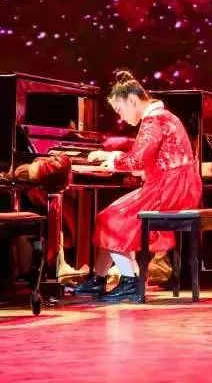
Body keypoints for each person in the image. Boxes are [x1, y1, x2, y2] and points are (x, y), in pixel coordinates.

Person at [73, 70, 202, 300]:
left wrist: (112, 158)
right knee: (110, 215)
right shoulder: (163, 116)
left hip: (170, 189)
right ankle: (99, 278)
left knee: (110, 218)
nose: (121, 117)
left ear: (132, 100)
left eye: (119, 109)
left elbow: (137, 160)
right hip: (175, 185)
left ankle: (130, 281)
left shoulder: (155, 119)